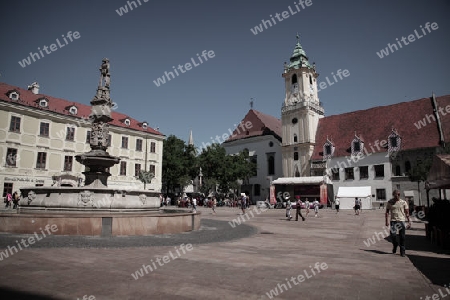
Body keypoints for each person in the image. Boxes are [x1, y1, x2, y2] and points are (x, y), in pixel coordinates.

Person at [385, 190, 411, 257]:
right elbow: (387, 212)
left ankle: (402, 251)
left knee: (402, 237)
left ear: (399, 195)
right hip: (393, 221)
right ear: (393, 195)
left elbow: (407, 212)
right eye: (395, 195)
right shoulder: (390, 202)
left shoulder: (403, 202)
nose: (397, 196)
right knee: (393, 235)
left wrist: (409, 221)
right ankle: (395, 244)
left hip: (401, 220)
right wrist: (386, 221)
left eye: (398, 195)